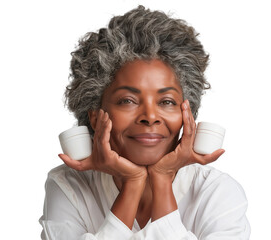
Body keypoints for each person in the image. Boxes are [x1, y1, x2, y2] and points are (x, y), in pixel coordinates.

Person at [39, 5, 250, 239]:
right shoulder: (69, 186)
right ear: (95, 115)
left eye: (167, 102)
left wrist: (161, 179)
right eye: (128, 100)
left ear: (187, 114)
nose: (150, 116)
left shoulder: (217, 193)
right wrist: (133, 183)